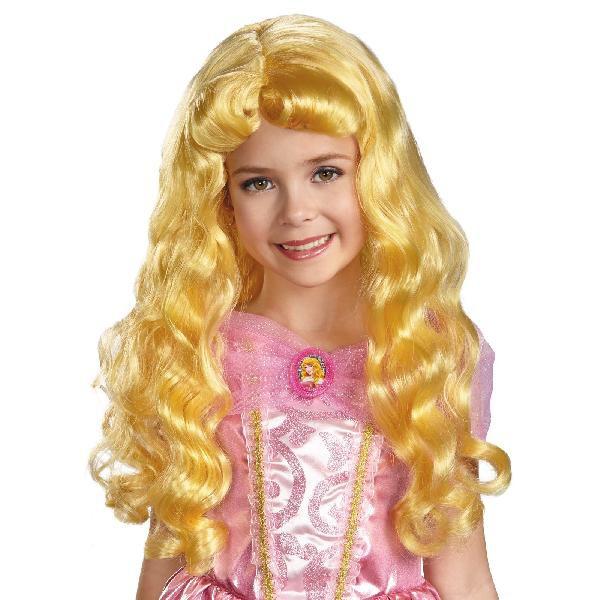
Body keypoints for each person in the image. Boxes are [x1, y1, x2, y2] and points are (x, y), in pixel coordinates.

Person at [89, 13, 511, 600]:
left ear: (378, 174)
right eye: (258, 182)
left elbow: (463, 574)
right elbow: (168, 554)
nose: (296, 211)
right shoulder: (198, 350)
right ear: (221, 197)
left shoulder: (425, 353)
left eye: (326, 173)